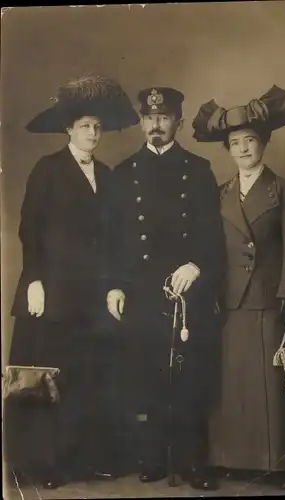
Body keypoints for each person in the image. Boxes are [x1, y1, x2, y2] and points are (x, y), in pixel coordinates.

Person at [4, 75, 139, 489]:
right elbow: (31, 230)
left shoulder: (111, 176)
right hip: (53, 291)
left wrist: (116, 286)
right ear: (68, 130)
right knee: (49, 379)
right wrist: (35, 281)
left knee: (89, 377)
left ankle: (85, 460)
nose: (93, 133)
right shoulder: (47, 170)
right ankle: (43, 465)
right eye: (85, 127)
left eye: (97, 127)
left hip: (93, 297)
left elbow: (119, 240)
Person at [107, 87, 226, 490]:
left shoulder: (198, 168)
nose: (155, 125)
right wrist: (115, 286)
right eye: (149, 118)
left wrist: (197, 264)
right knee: (149, 375)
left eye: (164, 117)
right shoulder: (124, 173)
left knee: (190, 377)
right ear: (142, 122)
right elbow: (114, 238)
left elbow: (214, 231)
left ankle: (193, 462)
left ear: (177, 120)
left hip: (187, 289)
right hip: (142, 290)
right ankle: (154, 457)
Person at [192, 85, 285, 489]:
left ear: (263, 144)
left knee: (269, 386)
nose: (243, 149)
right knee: (232, 384)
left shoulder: (283, 188)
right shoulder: (220, 192)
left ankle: (276, 464)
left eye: (250, 141)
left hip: (268, 298)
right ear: (228, 149)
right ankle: (231, 460)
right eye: (235, 143)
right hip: (230, 299)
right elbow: (212, 247)